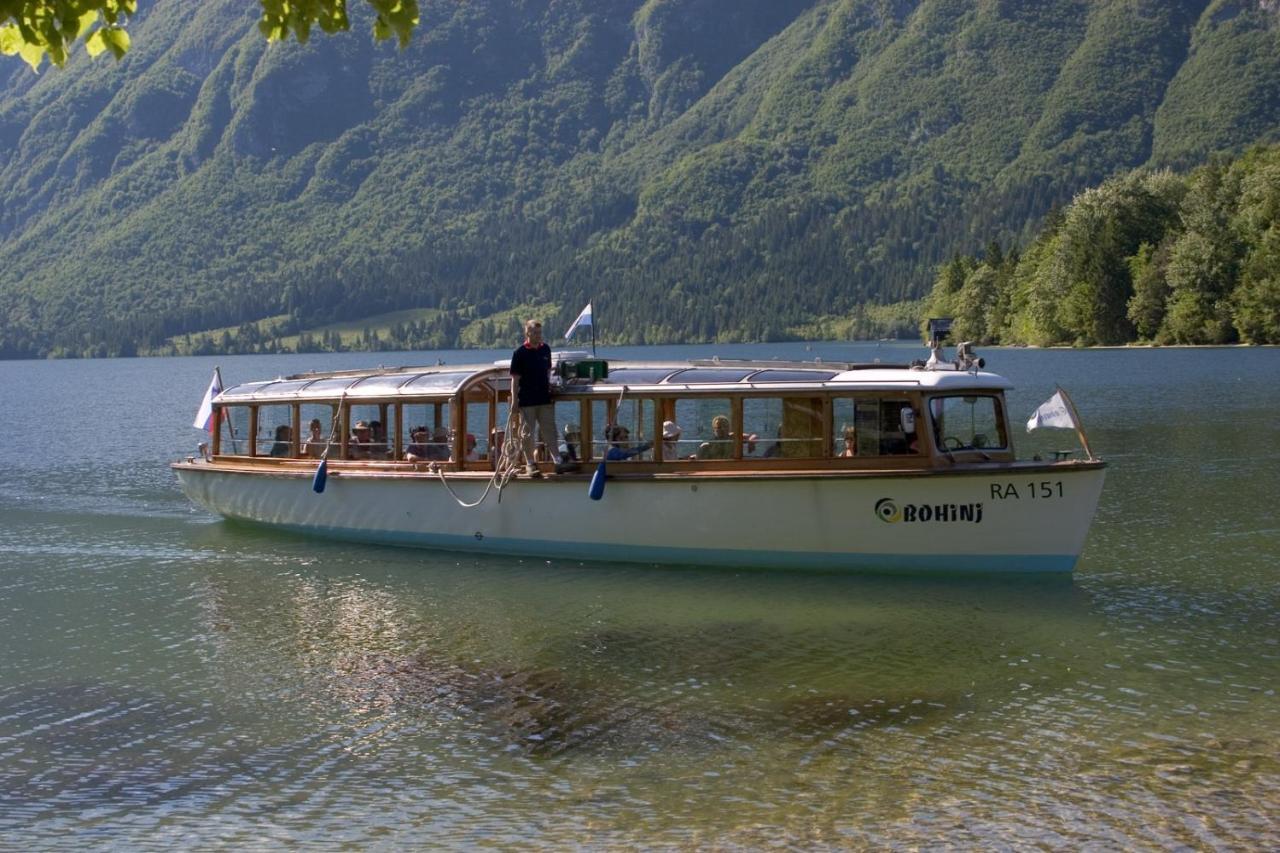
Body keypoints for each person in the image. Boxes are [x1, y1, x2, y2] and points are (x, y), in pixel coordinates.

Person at [509, 319, 555, 477]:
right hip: (527, 400)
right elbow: (514, 380)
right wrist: (515, 401)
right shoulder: (519, 353)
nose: (538, 336)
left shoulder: (545, 350)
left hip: (544, 398)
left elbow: (548, 371)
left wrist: (549, 385)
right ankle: (530, 463)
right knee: (527, 433)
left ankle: (558, 461)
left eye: (539, 333)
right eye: (535, 333)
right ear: (527, 333)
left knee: (550, 430)